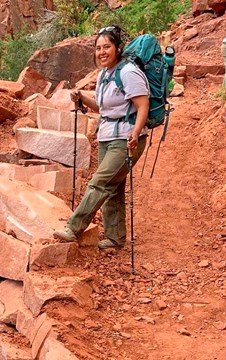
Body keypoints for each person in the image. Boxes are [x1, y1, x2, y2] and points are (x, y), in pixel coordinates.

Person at [53, 25, 149, 250]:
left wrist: (135, 133)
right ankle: (115, 238)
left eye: (107, 46)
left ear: (118, 48)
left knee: (100, 182)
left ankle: (73, 228)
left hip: (127, 139)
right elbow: (105, 109)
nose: (102, 52)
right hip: (107, 137)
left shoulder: (128, 72)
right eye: (98, 48)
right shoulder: (105, 74)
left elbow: (142, 104)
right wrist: (83, 99)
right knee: (113, 187)